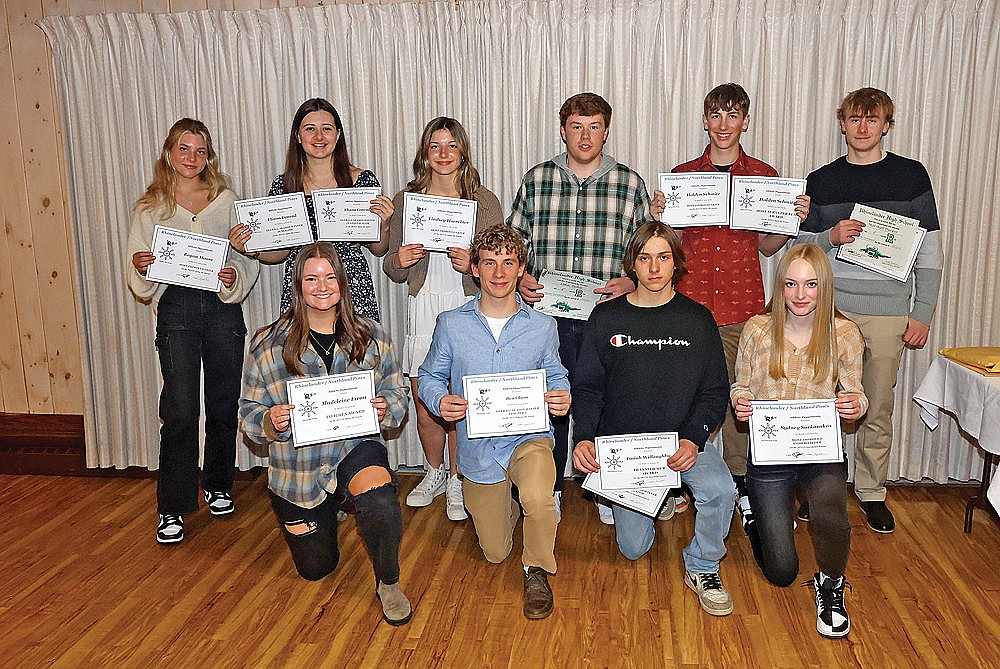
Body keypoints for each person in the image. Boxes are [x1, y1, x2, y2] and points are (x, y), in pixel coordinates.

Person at [650, 83, 811, 547]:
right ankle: (677, 482)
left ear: (745, 121)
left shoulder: (764, 176)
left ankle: (740, 483)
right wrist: (662, 216)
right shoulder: (683, 175)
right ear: (705, 121)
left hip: (743, 308)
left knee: (743, 400)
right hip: (690, 308)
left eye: (733, 115)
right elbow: (670, 246)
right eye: (715, 115)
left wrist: (788, 221)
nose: (723, 124)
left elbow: (765, 246)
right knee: (683, 397)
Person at [239, 242, 412, 626]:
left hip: (354, 447)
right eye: (311, 278)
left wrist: (386, 407)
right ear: (297, 285)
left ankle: (388, 581)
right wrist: (271, 421)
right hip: (299, 469)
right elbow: (248, 414)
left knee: (380, 499)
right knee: (317, 568)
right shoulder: (267, 345)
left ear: (342, 283)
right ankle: (329, 507)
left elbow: (398, 395)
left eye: (330, 277)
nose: (322, 286)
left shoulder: (373, 337)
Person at [796, 87, 942, 533]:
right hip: (829, 312)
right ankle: (820, 488)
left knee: (875, 404)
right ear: (842, 124)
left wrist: (923, 313)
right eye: (854, 119)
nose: (862, 128)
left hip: (887, 313)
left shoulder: (912, 176)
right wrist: (830, 237)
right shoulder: (819, 180)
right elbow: (799, 252)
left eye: (871, 119)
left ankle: (873, 491)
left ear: (886, 125)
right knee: (819, 405)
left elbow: (931, 252)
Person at [572, 221, 736, 617]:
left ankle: (703, 565)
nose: (654, 267)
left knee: (722, 490)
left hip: (683, 444)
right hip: (627, 452)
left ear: (676, 264)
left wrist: (694, 438)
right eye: (645, 258)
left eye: (663, 257)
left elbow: (715, 391)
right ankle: (660, 496)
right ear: (633, 264)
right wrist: (584, 437)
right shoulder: (606, 318)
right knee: (632, 549)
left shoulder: (697, 319)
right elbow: (588, 387)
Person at [508, 92, 653, 522]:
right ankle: (548, 485)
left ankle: (607, 488)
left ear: (606, 130)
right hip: (546, 318)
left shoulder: (630, 184)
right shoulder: (537, 180)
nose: (585, 135)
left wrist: (632, 278)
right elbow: (516, 242)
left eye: (594, 127)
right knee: (548, 402)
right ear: (563, 130)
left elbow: (647, 248)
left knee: (606, 401)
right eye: (576, 126)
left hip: (606, 317)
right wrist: (522, 277)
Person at [417, 225, 570, 620]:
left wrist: (561, 394)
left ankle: (537, 569)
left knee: (539, 498)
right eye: (489, 263)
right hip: (478, 447)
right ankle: (511, 509)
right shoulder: (451, 323)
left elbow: (556, 374)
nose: (499, 273)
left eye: (508, 262)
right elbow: (430, 376)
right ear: (475, 269)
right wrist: (440, 400)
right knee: (495, 551)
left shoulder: (543, 325)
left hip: (528, 436)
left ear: (521, 269)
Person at [127, 118, 259, 544]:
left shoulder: (227, 199)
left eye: (200, 151)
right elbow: (139, 267)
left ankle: (218, 484)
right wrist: (141, 267)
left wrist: (232, 274)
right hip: (177, 310)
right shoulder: (150, 207)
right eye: (184, 149)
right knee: (180, 410)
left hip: (222, 312)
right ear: (169, 153)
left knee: (223, 406)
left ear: (209, 156)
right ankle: (173, 507)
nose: (192, 158)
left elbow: (247, 257)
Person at [731, 243, 868, 638]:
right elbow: (741, 385)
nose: (800, 294)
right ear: (780, 285)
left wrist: (853, 405)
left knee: (830, 511)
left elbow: (857, 392)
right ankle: (757, 516)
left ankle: (831, 584)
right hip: (770, 453)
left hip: (820, 452)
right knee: (781, 571)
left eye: (810, 284)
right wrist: (741, 401)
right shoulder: (757, 329)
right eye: (790, 284)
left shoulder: (845, 333)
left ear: (824, 287)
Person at [383, 117, 505, 521]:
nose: (443, 154)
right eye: (435, 146)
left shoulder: (484, 201)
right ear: (425, 154)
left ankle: (458, 477)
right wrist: (397, 260)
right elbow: (393, 269)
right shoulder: (407, 199)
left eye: (452, 145)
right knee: (425, 404)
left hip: (468, 306)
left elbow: (499, 265)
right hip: (424, 305)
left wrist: (473, 264)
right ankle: (433, 470)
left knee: (460, 403)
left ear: (463, 152)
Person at [229, 98, 394, 321]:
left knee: (355, 353)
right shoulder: (284, 186)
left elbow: (378, 249)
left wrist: (383, 225)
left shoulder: (361, 180)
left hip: (349, 283)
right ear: (298, 136)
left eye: (326, 129)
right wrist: (252, 250)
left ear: (337, 135)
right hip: (302, 286)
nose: (318, 137)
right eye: (310, 129)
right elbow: (281, 251)